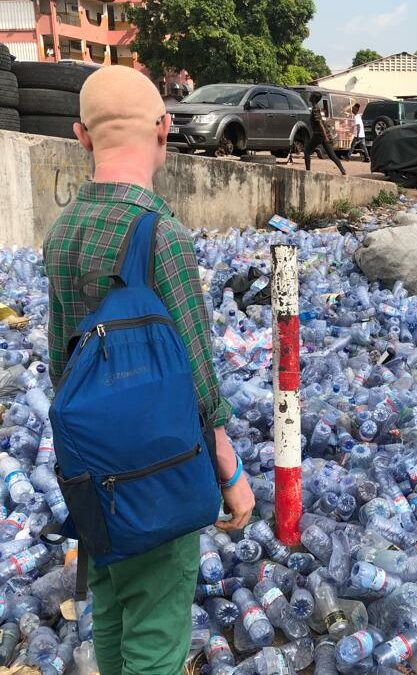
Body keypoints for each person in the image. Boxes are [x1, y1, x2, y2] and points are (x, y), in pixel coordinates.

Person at [43, 65, 255, 675]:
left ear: (81, 137)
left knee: (110, 607)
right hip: (159, 469)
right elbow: (195, 373)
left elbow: (64, 364)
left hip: (91, 471)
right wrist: (230, 470)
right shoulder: (161, 235)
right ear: (165, 128)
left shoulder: (62, 235)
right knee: (158, 634)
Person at [305, 92, 346, 175]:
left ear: (313, 98)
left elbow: (320, 123)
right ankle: (343, 170)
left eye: (311, 95)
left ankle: (307, 172)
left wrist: (325, 136)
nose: (309, 96)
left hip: (319, 135)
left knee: (307, 152)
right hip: (322, 135)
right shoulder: (316, 108)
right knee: (331, 155)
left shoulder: (315, 108)